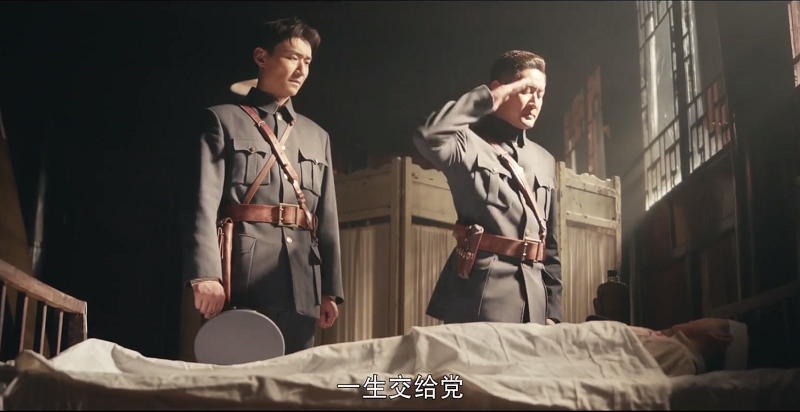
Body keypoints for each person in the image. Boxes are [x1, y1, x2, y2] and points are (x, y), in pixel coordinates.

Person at [182, 17, 344, 355]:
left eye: (307, 61)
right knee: (237, 377)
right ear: (261, 57)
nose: (301, 69)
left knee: (295, 380)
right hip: (243, 277)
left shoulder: (318, 136)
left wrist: (330, 289)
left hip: (303, 284)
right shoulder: (223, 120)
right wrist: (205, 275)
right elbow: (203, 202)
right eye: (292, 57)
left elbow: (326, 220)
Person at [412, 50, 562, 326]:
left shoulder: (545, 160)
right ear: (499, 89)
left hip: (535, 303)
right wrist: (488, 99)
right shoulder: (466, 144)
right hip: (482, 297)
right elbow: (427, 134)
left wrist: (552, 310)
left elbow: (549, 245)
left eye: (540, 94)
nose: (535, 102)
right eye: (526, 91)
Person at [587, 315, 750, 377]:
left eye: (714, 320)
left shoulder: (679, 356)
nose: (701, 319)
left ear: (721, 336)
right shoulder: (673, 345)